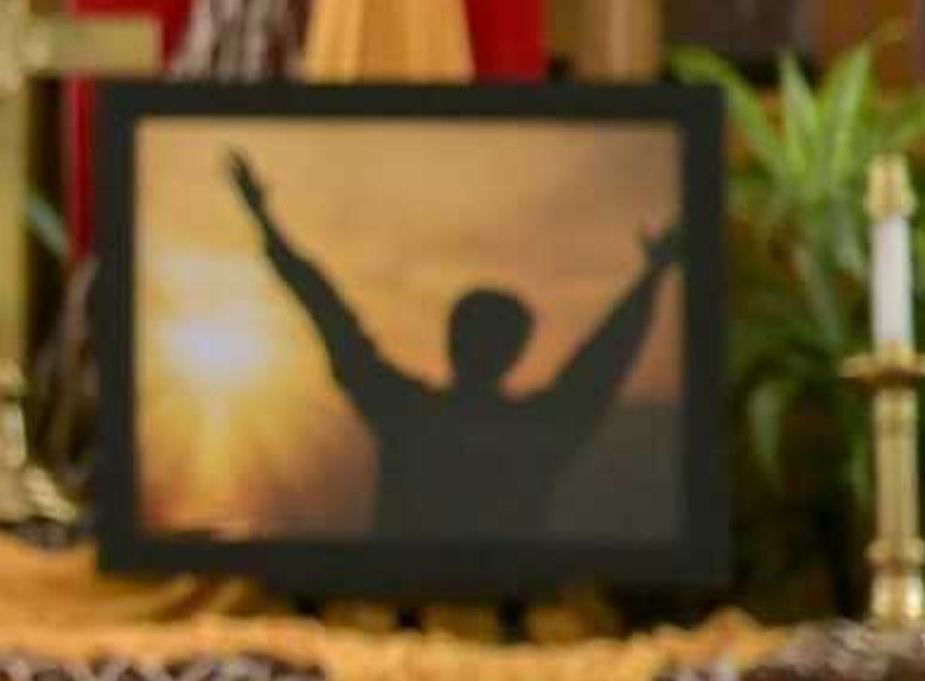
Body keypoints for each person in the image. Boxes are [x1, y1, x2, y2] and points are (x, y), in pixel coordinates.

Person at [228, 147, 684, 538]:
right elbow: (602, 362)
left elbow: (328, 313)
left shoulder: (405, 411)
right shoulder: (539, 426)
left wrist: (264, 218)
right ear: (517, 351)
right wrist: (652, 274)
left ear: (452, 341)